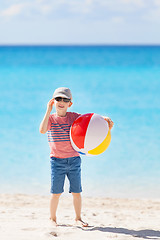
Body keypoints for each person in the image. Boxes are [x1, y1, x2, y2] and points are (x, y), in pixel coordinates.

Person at [39, 87, 114, 227]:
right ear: (53, 101)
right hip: (56, 161)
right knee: (56, 192)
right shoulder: (50, 119)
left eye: (65, 100)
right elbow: (42, 130)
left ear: (70, 104)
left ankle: (78, 218)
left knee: (77, 191)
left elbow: (91, 124)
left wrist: (105, 123)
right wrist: (48, 110)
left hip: (74, 160)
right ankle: (52, 218)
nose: (61, 102)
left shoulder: (74, 117)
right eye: (58, 99)